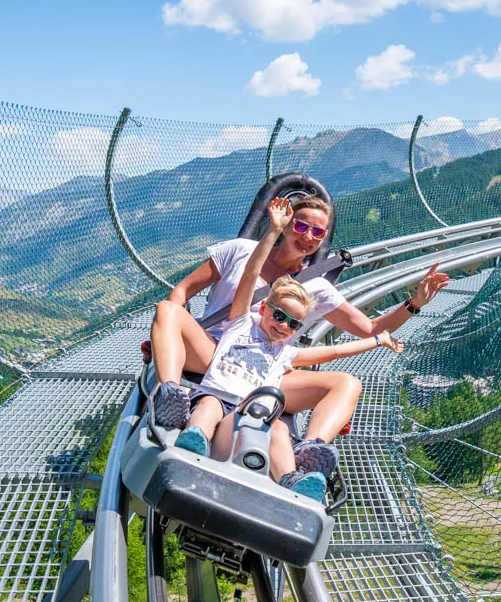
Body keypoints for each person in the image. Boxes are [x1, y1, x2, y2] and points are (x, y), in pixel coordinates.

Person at [149, 191, 448, 477]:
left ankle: (311, 450)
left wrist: (414, 304)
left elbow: (370, 329)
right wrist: (166, 337)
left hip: (268, 367)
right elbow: (182, 292)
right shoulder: (241, 251)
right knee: (168, 310)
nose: (308, 237)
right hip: (213, 349)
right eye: (302, 227)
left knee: (347, 384)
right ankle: (170, 396)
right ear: (287, 223)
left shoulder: (317, 288)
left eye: (318, 233)